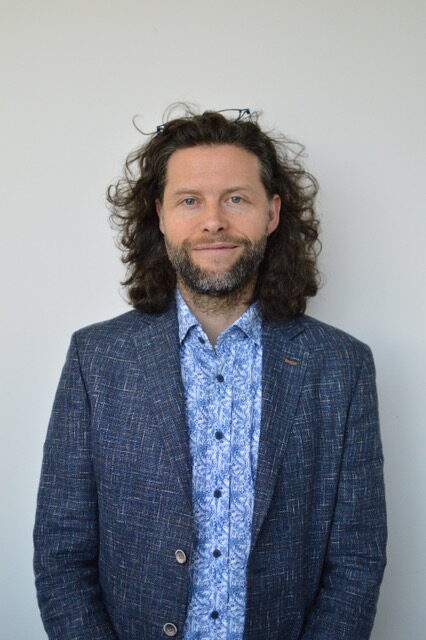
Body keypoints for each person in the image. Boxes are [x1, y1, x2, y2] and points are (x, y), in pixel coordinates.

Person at [33, 107, 387, 640]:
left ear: (272, 213)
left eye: (236, 198)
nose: (214, 221)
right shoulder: (96, 359)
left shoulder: (341, 366)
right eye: (190, 200)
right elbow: (62, 553)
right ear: (160, 215)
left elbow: (357, 561)